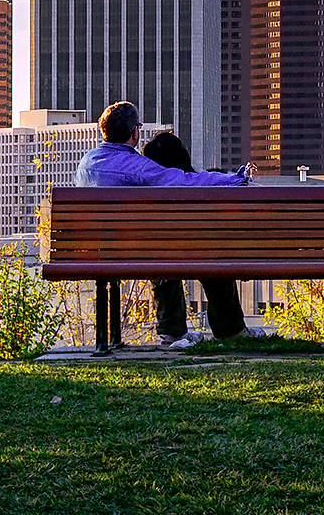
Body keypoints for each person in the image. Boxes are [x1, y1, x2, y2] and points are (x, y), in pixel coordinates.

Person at [75, 101, 269, 347]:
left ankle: (172, 333)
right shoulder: (138, 168)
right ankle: (230, 331)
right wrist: (234, 178)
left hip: (102, 254)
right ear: (135, 132)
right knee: (202, 254)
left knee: (161, 252)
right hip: (145, 251)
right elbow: (185, 181)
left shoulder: (86, 163)